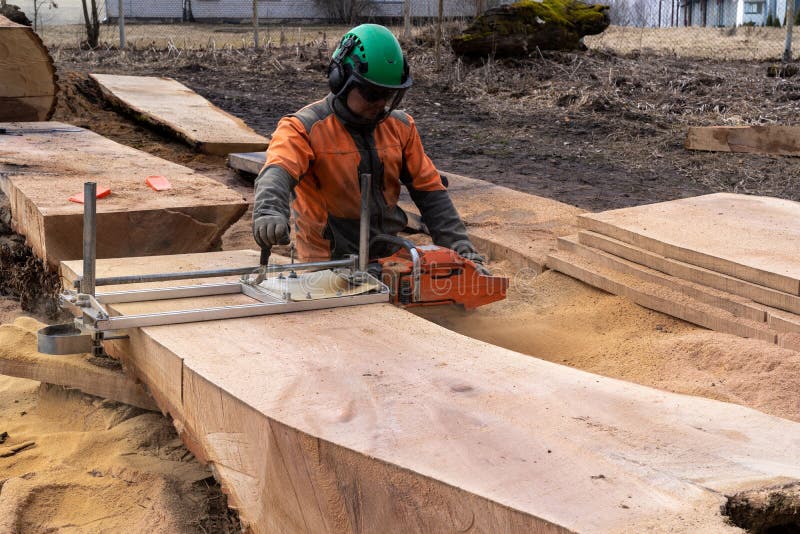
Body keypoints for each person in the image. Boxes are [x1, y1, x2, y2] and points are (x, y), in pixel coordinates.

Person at [252, 23, 487, 273]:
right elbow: (277, 171)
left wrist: (462, 250)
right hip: (328, 262)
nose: (380, 104)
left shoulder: (401, 126)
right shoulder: (303, 128)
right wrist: (269, 211)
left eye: (387, 95)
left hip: (388, 256)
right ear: (340, 79)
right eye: (372, 94)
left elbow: (430, 192)